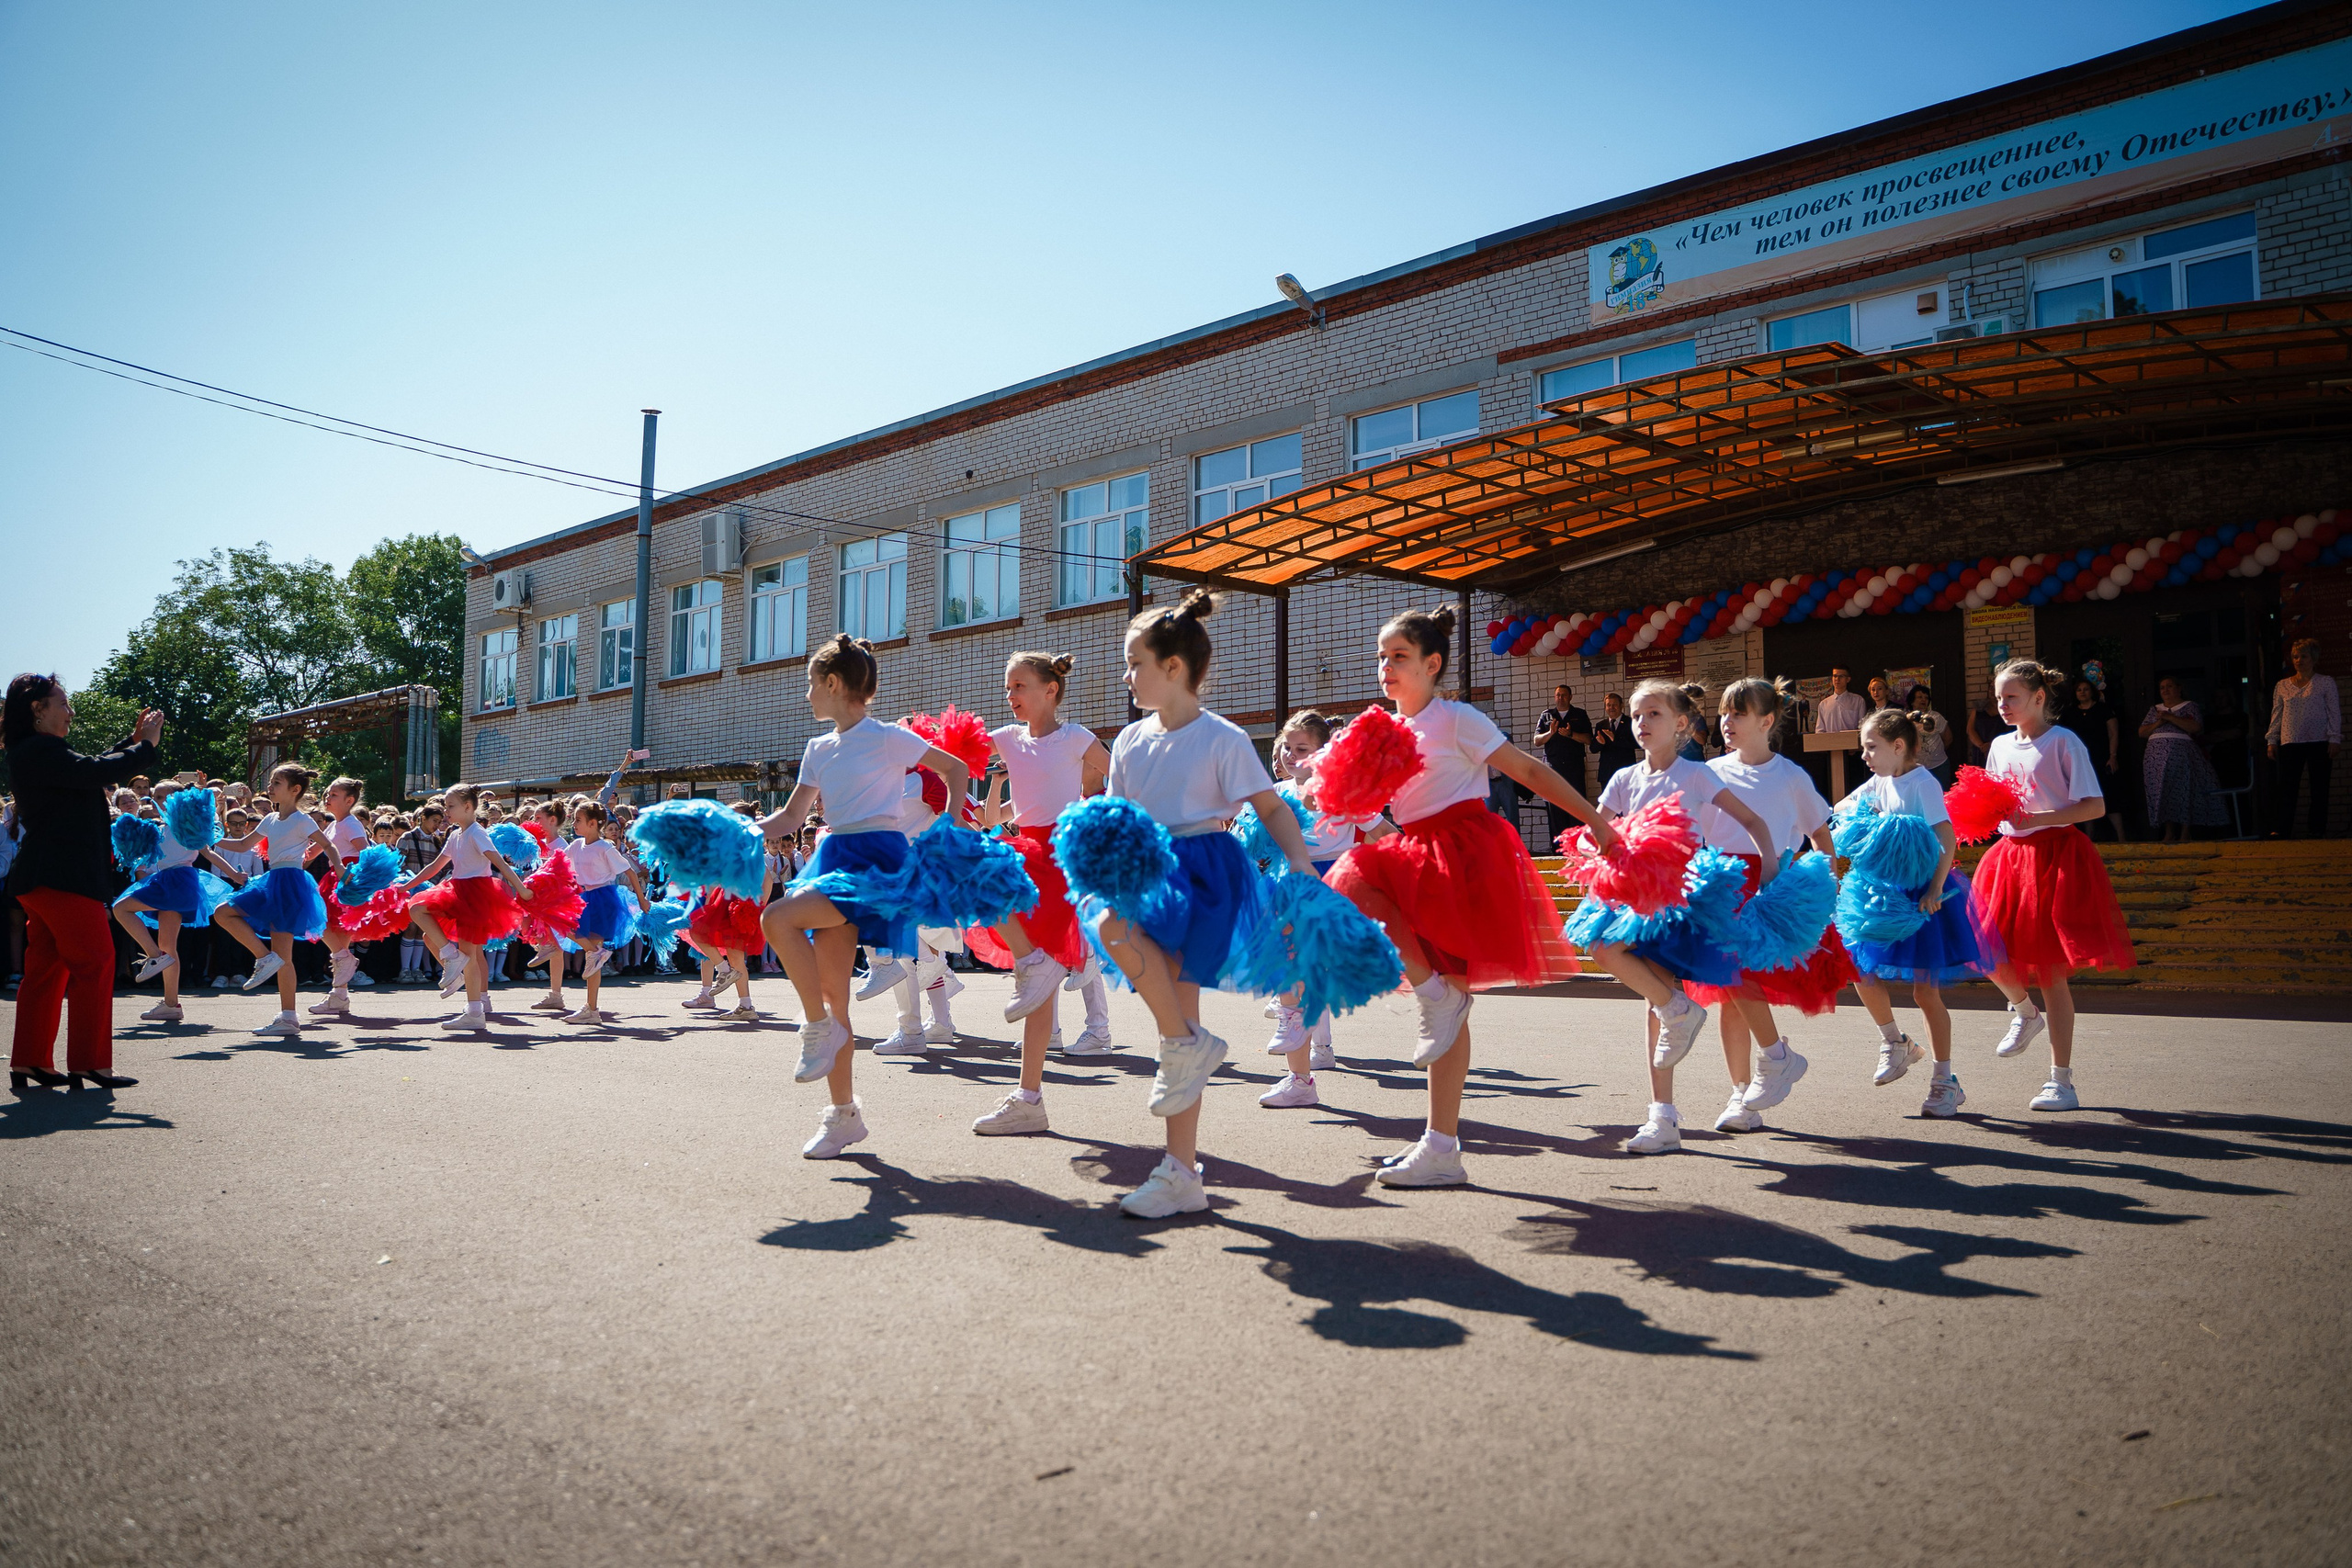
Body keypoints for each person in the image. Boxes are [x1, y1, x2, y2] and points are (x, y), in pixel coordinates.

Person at [1329, 605, 1616, 1187]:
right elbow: (1377, 808)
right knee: (1353, 889)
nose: (1386, 667)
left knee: (1448, 992)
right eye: (1381, 657)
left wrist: (1597, 822)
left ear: (1432, 664)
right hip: (1413, 853)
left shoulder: (1456, 718)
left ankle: (1440, 1144)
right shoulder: (1388, 729)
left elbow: (1530, 772)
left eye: (1399, 657)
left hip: (1460, 855)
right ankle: (1436, 1017)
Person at [1081, 592, 1317, 1217]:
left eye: (1135, 664)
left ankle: (1180, 1170)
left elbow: (1269, 808)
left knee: (1177, 1018)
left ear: (1175, 668)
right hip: (1148, 869)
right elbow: (1117, 815)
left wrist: (1299, 863)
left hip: (1205, 873)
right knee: (1115, 931)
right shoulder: (1129, 740)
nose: (1128, 677)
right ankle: (1188, 1073)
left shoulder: (1224, 737)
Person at [755, 634, 976, 1160]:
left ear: (833, 684)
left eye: (811, 684)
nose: (807, 694)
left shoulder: (886, 737)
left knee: (777, 919)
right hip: (836, 856)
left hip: (878, 860)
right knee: (836, 993)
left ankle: (816, 1029)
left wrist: (948, 828)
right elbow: (789, 818)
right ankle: (843, 1115)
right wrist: (739, 830)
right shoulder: (818, 748)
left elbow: (956, 770)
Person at [1574, 680, 1778, 1156]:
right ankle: (1666, 1088)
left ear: (1681, 724)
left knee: (1667, 1002)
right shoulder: (1624, 778)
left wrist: (1768, 865)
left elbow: (1754, 823)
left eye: (1654, 715)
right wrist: (1590, 848)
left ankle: (1664, 1113)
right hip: (1635, 895)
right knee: (1613, 958)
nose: (1642, 724)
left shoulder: (1697, 775)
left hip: (1683, 896)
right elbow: (1594, 829)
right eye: (1636, 716)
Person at [1685, 678, 1850, 1134]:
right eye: (1723, 713)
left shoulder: (1791, 776)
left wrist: (1824, 889)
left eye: (1738, 714)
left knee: (1740, 986)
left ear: (1767, 721)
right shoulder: (1710, 772)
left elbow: (1819, 835)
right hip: (1721, 885)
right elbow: (1689, 826)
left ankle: (1774, 1060)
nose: (1726, 722)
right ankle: (1743, 1094)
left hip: (1771, 886)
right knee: (1730, 993)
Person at [1972, 660, 2137, 1112]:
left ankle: (2061, 1080)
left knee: (2051, 973)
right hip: (2008, 858)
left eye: (2012, 697)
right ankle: (2025, 1013)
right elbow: (1992, 802)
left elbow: (2094, 807)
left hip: (2055, 858)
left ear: (2039, 698)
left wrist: (2037, 818)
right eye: (1999, 697)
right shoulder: (2000, 745)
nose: (2002, 706)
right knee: (1983, 948)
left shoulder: (2064, 741)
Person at [966, 651, 1114, 1136]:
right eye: (1008, 688)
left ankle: (1030, 1096)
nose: (1010, 697)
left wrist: (1107, 824)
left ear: (1050, 690)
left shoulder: (1076, 738)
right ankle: (1030, 1099)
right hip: (1025, 850)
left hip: (1060, 857)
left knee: (1040, 975)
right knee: (1038, 978)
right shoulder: (1007, 740)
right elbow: (959, 755)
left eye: (1020, 687)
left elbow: (1120, 778)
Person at [1838, 708, 2001, 1117]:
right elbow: (1837, 810)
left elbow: (1945, 834)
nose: (1865, 755)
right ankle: (1896, 1041)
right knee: (1859, 967)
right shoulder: (1878, 782)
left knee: (1924, 992)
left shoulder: (1922, 782)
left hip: (1925, 893)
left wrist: (1932, 888)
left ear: (1898, 746)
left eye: (1871, 747)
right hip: (1885, 893)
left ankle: (1945, 1081)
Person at [5, 674, 162, 1091]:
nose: (70, 711)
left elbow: (88, 770)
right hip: (64, 879)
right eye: (62, 703)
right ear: (38, 709)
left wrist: (131, 745)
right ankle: (91, 1064)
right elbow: (93, 770)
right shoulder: (41, 749)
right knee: (95, 965)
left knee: (46, 972)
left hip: (44, 878)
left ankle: (30, 1062)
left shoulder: (35, 751)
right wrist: (144, 747)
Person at [1258, 709, 1374, 1109]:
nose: (1291, 755)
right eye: (1287, 747)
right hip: (1287, 881)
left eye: (1301, 748)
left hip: (1330, 881)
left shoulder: (1343, 790)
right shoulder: (1278, 792)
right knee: (1290, 974)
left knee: (1298, 970)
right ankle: (1300, 1079)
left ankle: (1298, 1020)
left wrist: (1415, 862)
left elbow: (1382, 833)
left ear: (1324, 751)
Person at [210, 762, 344, 1039]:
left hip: (291, 883)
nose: (270, 787)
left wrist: (339, 867)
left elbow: (328, 844)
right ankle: (264, 957)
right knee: (223, 913)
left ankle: (288, 1017)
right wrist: (211, 838)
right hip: (273, 881)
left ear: (295, 790)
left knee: (285, 957)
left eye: (276, 783)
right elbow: (243, 845)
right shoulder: (270, 819)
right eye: (270, 782)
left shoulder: (302, 819)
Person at [395, 783, 535, 1033]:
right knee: (419, 914)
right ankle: (452, 959)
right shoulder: (455, 834)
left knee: (469, 953)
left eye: (450, 806)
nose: (446, 811)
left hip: (476, 894)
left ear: (468, 807)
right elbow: (435, 868)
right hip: (456, 890)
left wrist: (521, 888)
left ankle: (474, 1011)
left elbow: (501, 864)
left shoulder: (477, 832)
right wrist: (407, 887)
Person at [111, 784, 243, 1023]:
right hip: (170, 881)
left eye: (162, 796)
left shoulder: (186, 823)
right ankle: (171, 1004)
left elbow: (208, 852)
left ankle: (153, 955)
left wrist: (235, 875)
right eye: (156, 796)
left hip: (177, 879)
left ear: (176, 799)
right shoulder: (159, 827)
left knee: (121, 908)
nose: (156, 800)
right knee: (168, 947)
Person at [2267, 638, 2340, 838]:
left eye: (2303, 656)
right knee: (2287, 787)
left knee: (2319, 787)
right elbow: (2277, 714)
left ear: (2313, 658)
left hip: (2319, 740)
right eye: (2295, 657)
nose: (2298, 660)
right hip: (2291, 740)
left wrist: (2335, 738)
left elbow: (2334, 712)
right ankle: (2281, 828)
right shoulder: (2282, 685)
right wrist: (2272, 740)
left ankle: (2317, 830)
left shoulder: (2325, 682)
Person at [2141, 677, 2228, 842]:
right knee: (2162, 791)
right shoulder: (2155, 710)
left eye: (2169, 686)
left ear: (2179, 688)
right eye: (2162, 688)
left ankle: (2185, 832)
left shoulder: (2189, 706)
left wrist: (2171, 717)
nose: (2165, 690)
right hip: (2156, 758)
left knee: (2184, 790)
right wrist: (2159, 722)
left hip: (2182, 756)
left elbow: (2196, 727)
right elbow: (2142, 732)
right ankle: (2169, 831)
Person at [2062, 679, 2127, 841]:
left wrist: (2112, 756)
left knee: (2110, 795)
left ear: (2092, 691)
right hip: (2080, 762)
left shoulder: (2103, 710)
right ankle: (2088, 838)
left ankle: (2122, 837)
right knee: (2084, 797)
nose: (2082, 692)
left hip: (2102, 759)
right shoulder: (2069, 713)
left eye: (2086, 689)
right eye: (2079, 690)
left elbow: (2113, 733)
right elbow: (2063, 739)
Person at [1532, 685, 1593, 839]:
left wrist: (1571, 734)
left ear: (1570, 697)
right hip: (1553, 770)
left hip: (1574, 769)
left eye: (1564, 695)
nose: (1561, 698)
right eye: (1558, 695)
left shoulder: (1579, 714)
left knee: (1577, 809)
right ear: (1555, 697)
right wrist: (1550, 733)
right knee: (1555, 811)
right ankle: (1558, 850)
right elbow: (1537, 741)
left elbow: (1588, 739)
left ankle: (1577, 846)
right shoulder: (1546, 715)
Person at [1591, 692, 1639, 798]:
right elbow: (1593, 749)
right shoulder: (1601, 725)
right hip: (1606, 773)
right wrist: (1600, 743)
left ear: (1621, 706)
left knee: (1626, 806)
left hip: (1625, 771)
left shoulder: (1630, 723)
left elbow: (1637, 744)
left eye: (1614, 705)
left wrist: (1615, 739)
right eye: (1608, 705)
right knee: (1609, 807)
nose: (1611, 708)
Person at [1906, 685, 1953, 787]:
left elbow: (1948, 738)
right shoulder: (1906, 720)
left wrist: (1935, 753)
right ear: (1912, 701)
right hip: (1916, 768)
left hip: (1939, 766)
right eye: (1920, 697)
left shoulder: (1936, 717)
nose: (1924, 700)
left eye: (1926, 698)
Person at [1815, 667, 1866, 734]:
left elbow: (1862, 728)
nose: (1837, 679)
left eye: (1841, 676)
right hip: (1830, 743)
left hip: (1851, 743)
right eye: (1835, 676)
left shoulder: (1858, 701)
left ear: (1848, 679)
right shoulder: (1823, 704)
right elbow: (1820, 731)